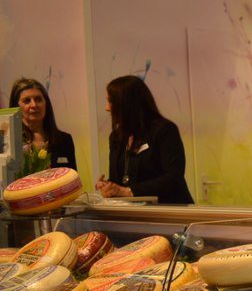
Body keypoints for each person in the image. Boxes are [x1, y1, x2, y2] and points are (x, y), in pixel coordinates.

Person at [96, 75, 194, 204]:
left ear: (127, 105)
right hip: (133, 212)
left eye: (111, 102)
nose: (107, 108)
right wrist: (109, 186)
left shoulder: (165, 130)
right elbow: (121, 180)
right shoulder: (116, 136)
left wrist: (129, 191)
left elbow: (173, 177)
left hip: (169, 209)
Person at [9, 78, 76, 171]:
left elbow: (73, 178)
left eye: (38, 99)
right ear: (16, 107)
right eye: (27, 101)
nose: (34, 105)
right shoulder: (9, 143)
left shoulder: (64, 140)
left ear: (46, 103)